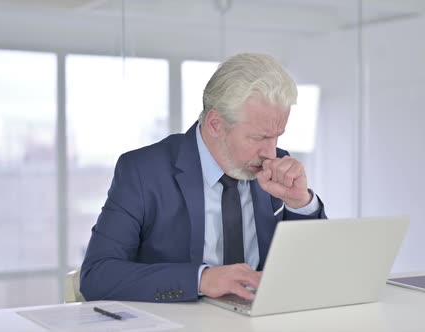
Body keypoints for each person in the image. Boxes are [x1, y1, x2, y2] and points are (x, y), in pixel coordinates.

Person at [80, 53, 326, 303]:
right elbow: (97, 275)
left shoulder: (277, 167)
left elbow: (317, 269)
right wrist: (202, 279)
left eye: (277, 136)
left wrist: (301, 203)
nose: (271, 152)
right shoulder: (143, 171)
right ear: (215, 124)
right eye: (258, 138)